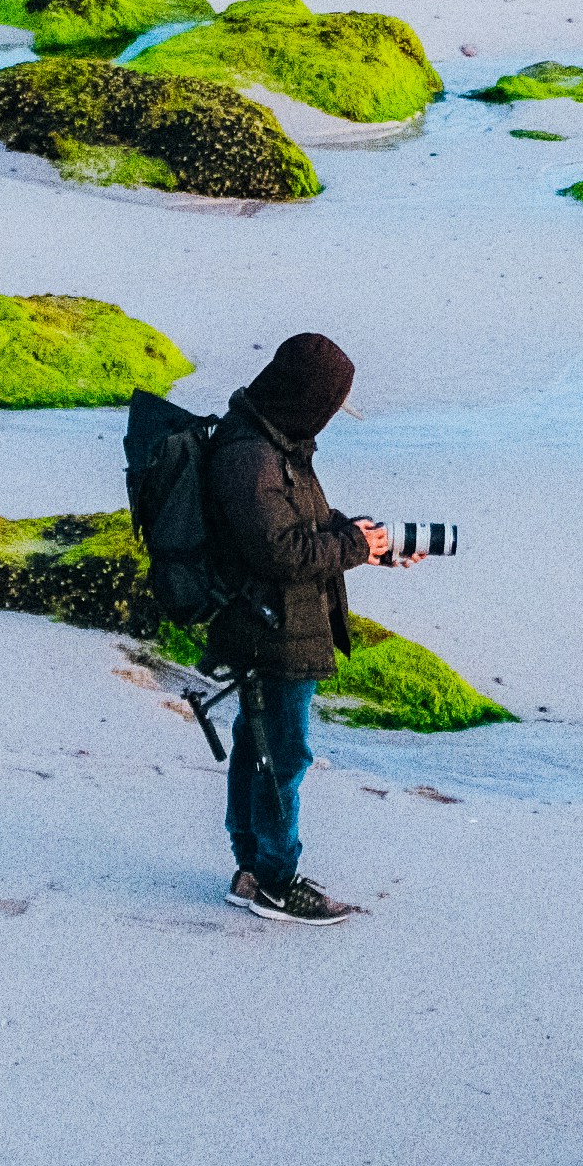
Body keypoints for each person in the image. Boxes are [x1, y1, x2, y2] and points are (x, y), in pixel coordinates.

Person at [200, 330, 403, 921]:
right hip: (272, 627)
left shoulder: (278, 443)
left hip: (283, 621)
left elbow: (308, 523)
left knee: (258, 748)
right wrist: (349, 546)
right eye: (331, 402)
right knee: (282, 757)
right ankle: (276, 882)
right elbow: (281, 552)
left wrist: (373, 544)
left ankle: (252, 869)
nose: (333, 415)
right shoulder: (250, 455)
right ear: (306, 395)